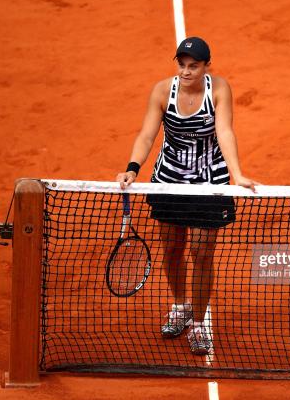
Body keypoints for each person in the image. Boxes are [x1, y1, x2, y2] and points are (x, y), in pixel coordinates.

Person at [116, 37, 258, 355]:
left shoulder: (219, 89)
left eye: (193, 65)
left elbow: (225, 131)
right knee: (172, 248)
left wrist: (237, 174)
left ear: (206, 66)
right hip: (169, 181)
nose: (186, 71)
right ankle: (180, 306)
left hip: (210, 183)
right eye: (182, 64)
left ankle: (198, 323)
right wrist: (132, 169)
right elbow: (147, 134)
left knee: (202, 252)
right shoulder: (162, 91)